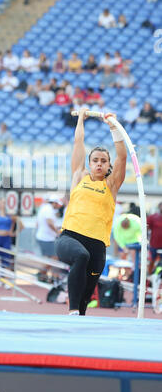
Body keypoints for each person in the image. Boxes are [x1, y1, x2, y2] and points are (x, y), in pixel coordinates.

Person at [55, 107, 127, 315]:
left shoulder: (111, 186)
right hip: (70, 237)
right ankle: (72, 312)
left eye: (103, 161)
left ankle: (77, 321)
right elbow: (78, 143)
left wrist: (113, 126)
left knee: (85, 299)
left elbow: (122, 158)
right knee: (80, 256)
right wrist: (81, 119)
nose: (98, 164)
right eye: (95, 160)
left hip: (97, 246)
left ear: (108, 166)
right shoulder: (79, 177)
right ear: (89, 163)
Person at [113, 213, 142, 279]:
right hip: (123, 241)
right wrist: (123, 247)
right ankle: (121, 273)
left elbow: (142, 233)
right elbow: (116, 237)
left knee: (134, 258)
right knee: (122, 256)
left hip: (134, 241)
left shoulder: (137, 223)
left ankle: (132, 273)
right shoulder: (117, 223)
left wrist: (139, 242)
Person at [147, 203, 162, 274]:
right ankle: (149, 274)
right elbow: (146, 227)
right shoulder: (153, 217)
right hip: (154, 244)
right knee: (151, 260)